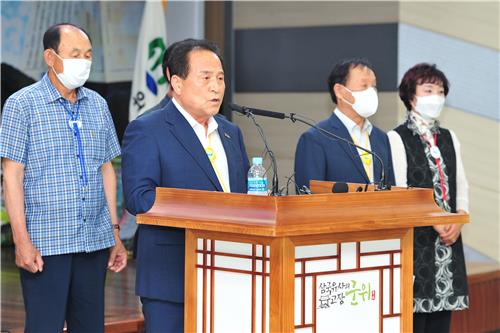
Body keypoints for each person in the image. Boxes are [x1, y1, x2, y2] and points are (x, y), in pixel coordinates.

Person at [0, 23, 127, 332]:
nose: (83, 62)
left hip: (93, 242)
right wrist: (21, 240)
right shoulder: (21, 105)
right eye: (74, 54)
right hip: (45, 244)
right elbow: (12, 176)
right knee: (44, 326)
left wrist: (114, 234)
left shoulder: (97, 104)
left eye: (88, 55)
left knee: (90, 326)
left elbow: (106, 169)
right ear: (50, 56)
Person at [121, 38, 250, 332]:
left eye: (220, 78)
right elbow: (139, 198)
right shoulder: (148, 129)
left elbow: (241, 197)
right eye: (205, 78)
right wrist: (208, 207)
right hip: (173, 277)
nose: (216, 87)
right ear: (177, 83)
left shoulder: (231, 133)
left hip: (231, 272)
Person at [388, 63, 469, 333]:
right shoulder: (397, 138)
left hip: (449, 240)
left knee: (441, 320)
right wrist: (434, 220)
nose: (437, 96)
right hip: (416, 240)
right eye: (429, 89)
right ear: (412, 97)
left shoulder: (449, 137)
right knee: (415, 319)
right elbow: (400, 191)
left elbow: (461, 185)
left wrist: (457, 221)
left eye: (441, 91)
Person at [294, 58, 394, 190]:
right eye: (364, 85)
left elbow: (392, 189)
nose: (371, 92)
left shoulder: (381, 137)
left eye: (373, 86)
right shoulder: (315, 139)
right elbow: (307, 198)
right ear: (340, 91)